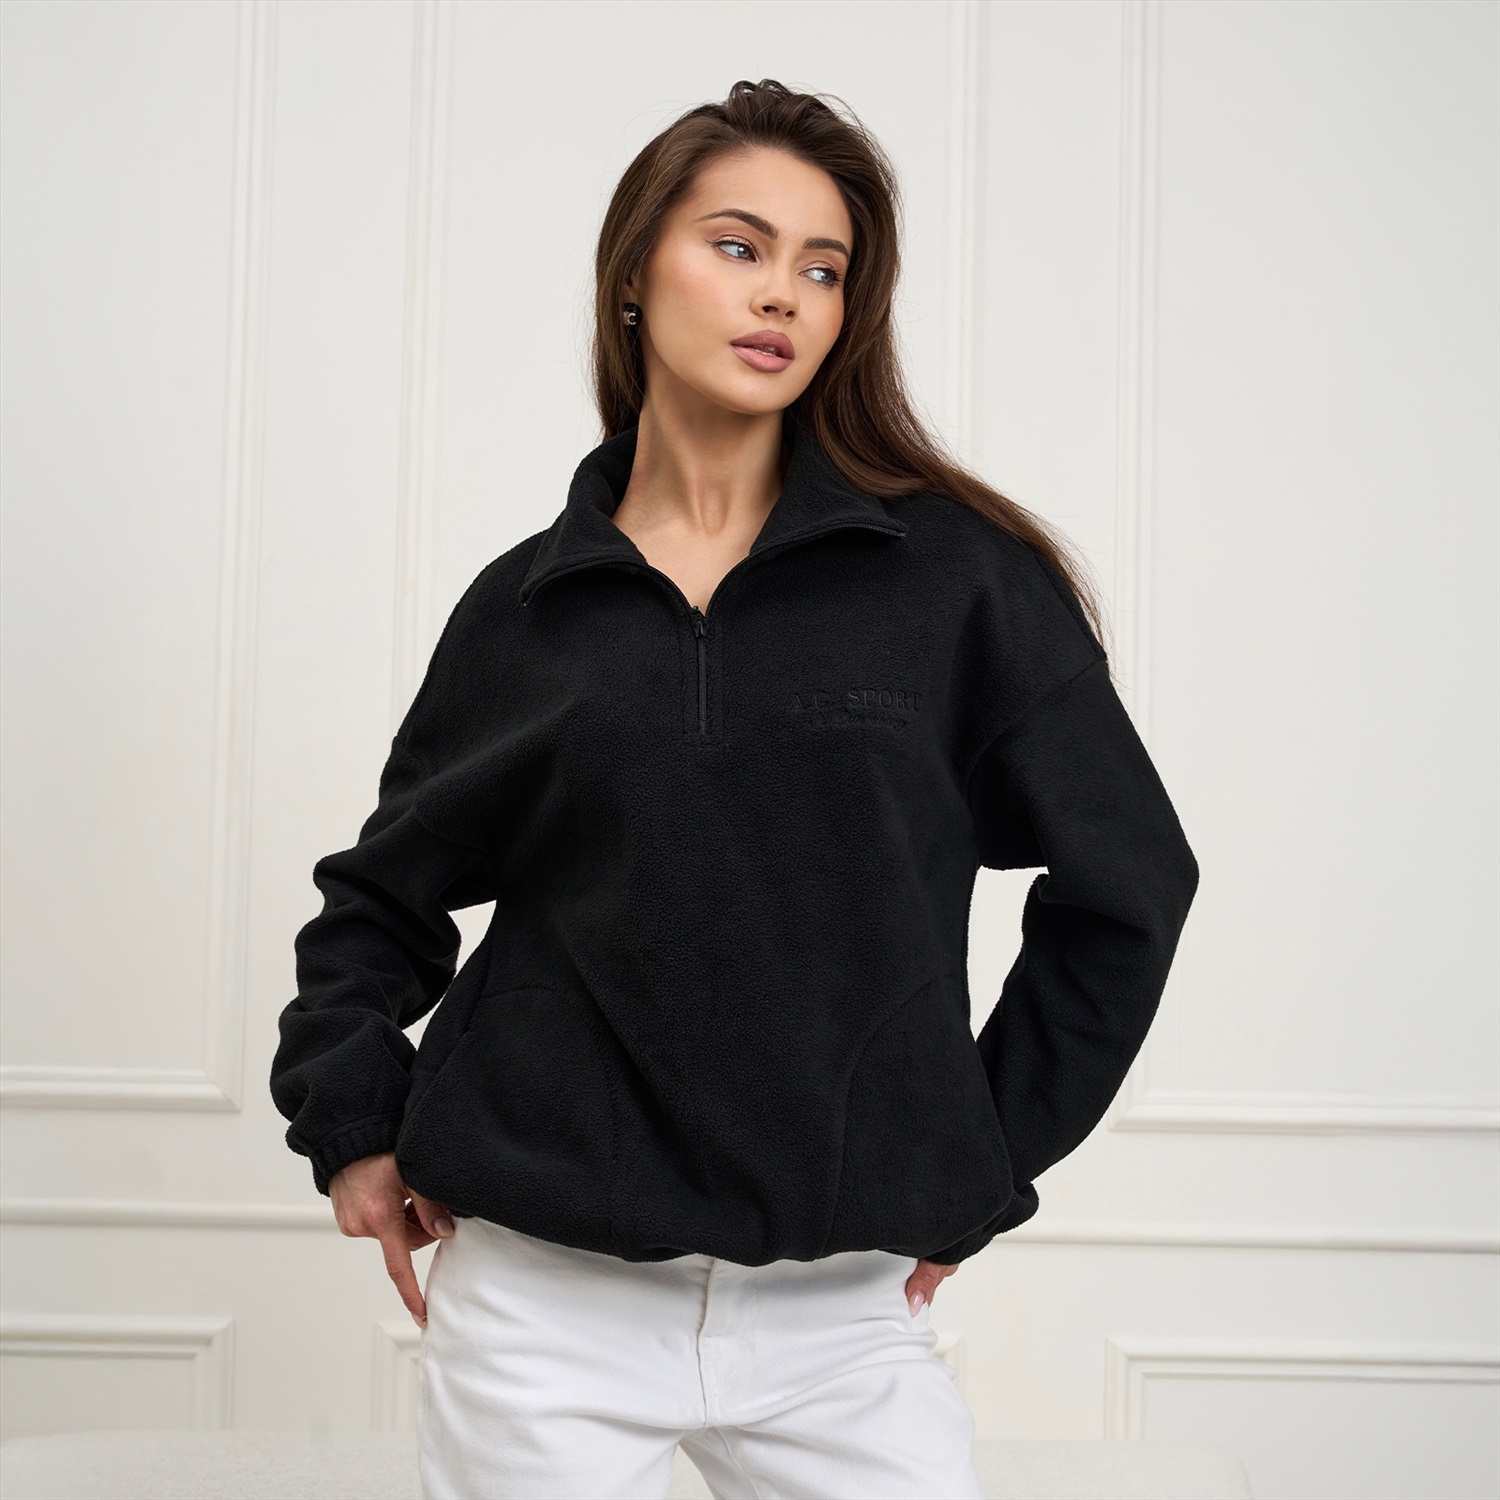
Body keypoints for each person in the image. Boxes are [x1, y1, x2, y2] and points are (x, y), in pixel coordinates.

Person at [269, 78, 1200, 1500]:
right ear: (634, 273)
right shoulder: (527, 610)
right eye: (738, 246)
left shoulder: (957, 584)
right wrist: (351, 1123)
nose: (783, 295)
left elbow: (1129, 884)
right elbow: (379, 898)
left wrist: (986, 1156)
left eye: (824, 269)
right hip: (541, 1307)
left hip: (841, 1322)